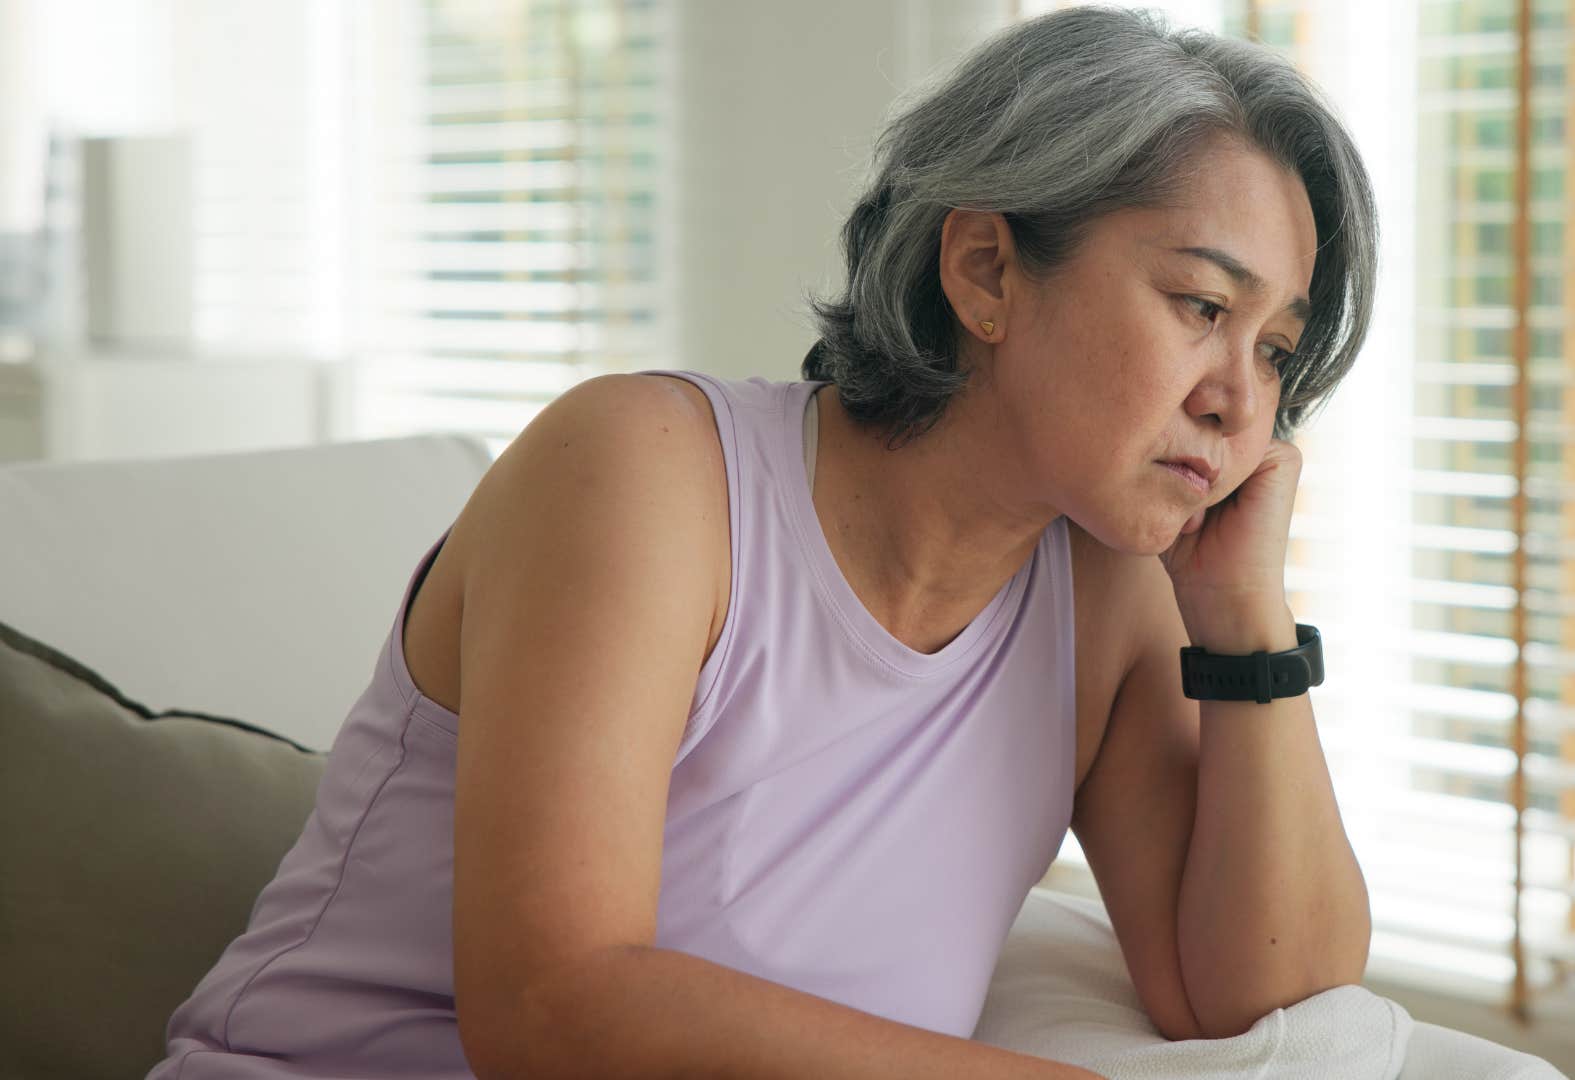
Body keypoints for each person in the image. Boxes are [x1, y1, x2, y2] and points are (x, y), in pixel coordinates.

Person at [144, 5, 1377, 1078]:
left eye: (1275, 349)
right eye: (1204, 306)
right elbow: (550, 1010)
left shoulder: (1105, 595)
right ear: (987, 268)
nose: (1241, 400)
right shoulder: (644, 472)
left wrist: (1245, 620)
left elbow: (1261, 998)